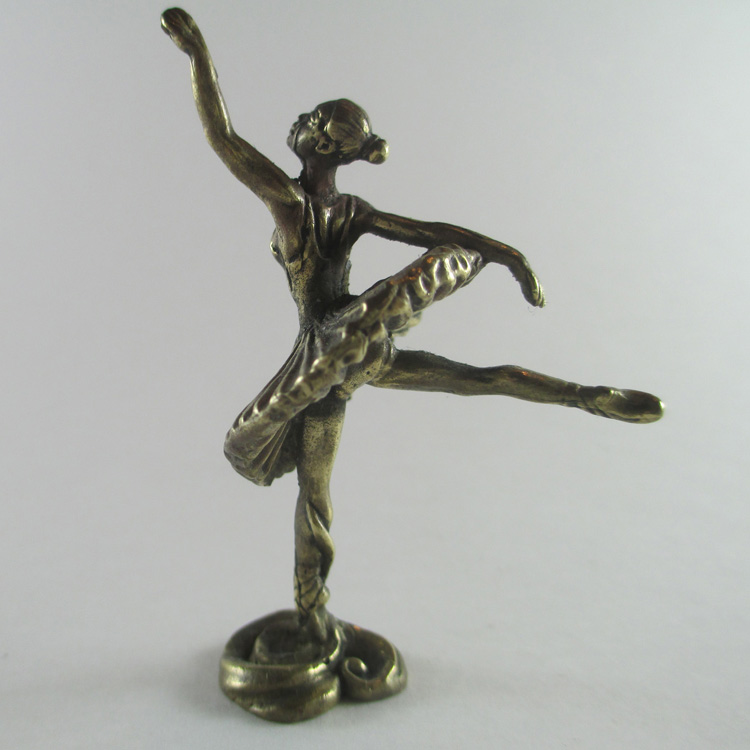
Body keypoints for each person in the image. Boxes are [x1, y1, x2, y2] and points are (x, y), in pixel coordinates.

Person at [162, 8, 663, 642]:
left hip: (324, 358)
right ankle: (583, 395)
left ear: (322, 146)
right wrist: (506, 255)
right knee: (481, 379)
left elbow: (224, 137)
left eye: (313, 120)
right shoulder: (353, 209)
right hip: (363, 355)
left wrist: (197, 53)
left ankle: (312, 615)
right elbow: (435, 233)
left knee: (315, 500)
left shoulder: (290, 204)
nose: (302, 121)